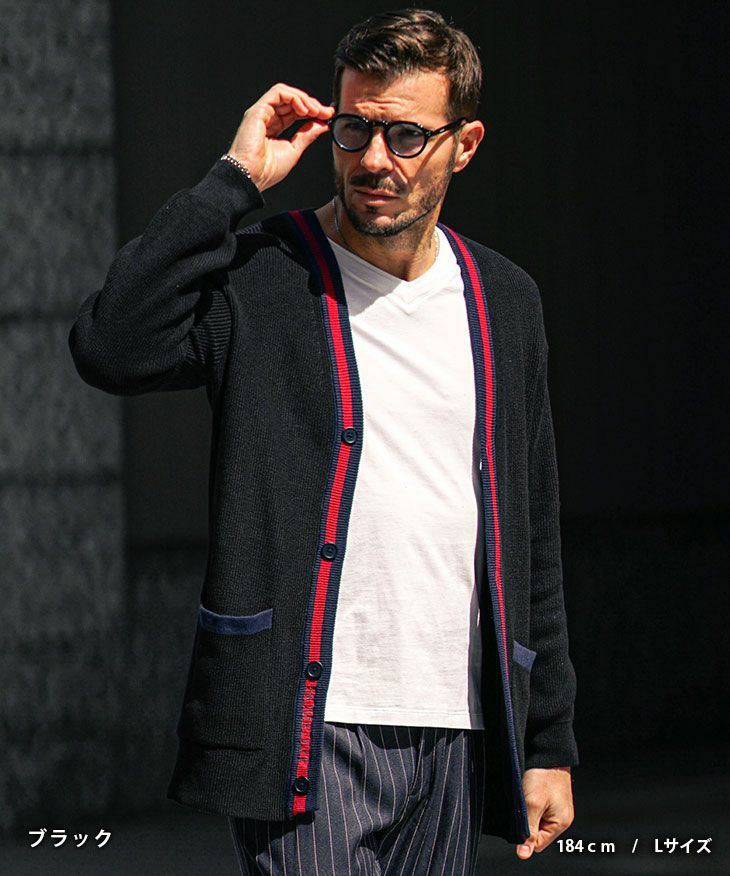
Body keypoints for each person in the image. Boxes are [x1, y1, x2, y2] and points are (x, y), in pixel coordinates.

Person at [68, 8, 578, 874]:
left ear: (464, 144)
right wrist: (234, 180)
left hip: (455, 727)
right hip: (305, 727)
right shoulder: (263, 273)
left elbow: (531, 534)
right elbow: (111, 344)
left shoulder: (504, 299)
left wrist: (546, 740)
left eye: (406, 135)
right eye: (354, 129)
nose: (374, 159)